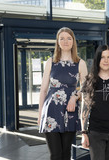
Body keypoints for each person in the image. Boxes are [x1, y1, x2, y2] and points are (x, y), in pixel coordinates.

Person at [38, 27, 88, 160]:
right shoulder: (51, 62)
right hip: (50, 113)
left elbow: (86, 88)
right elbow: (43, 90)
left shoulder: (80, 63)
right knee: (55, 154)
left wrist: (75, 97)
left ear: (73, 41)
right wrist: (39, 115)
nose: (65, 41)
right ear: (58, 42)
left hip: (70, 112)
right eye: (62, 38)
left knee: (66, 154)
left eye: (69, 38)